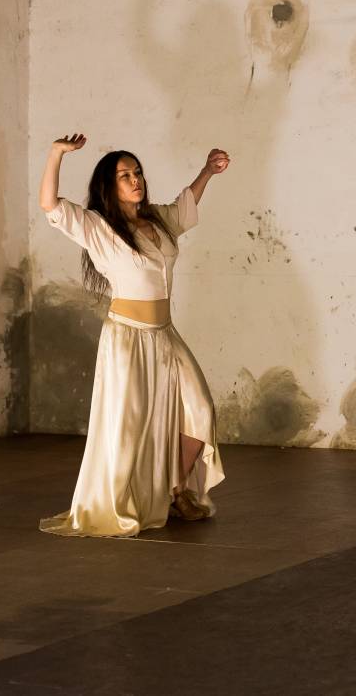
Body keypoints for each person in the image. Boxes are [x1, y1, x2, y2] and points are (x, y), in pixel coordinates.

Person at [37, 133, 229, 537]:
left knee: (200, 412)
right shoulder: (99, 227)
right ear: (110, 185)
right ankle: (129, 499)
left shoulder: (158, 220)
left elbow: (185, 207)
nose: (135, 180)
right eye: (125, 175)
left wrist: (207, 172)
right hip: (127, 338)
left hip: (164, 335)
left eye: (137, 172)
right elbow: (50, 205)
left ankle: (173, 488)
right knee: (130, 427)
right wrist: (57, 154)